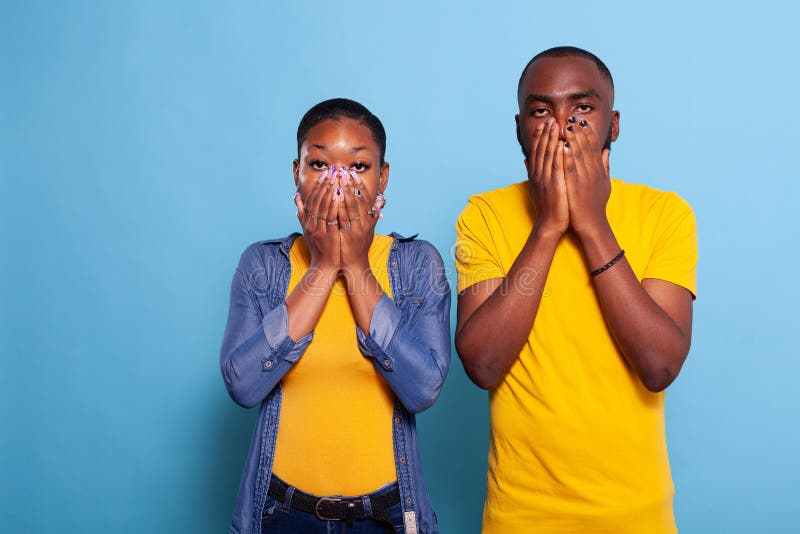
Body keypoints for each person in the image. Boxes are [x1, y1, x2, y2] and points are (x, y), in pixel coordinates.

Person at [454, 47, 697, 533]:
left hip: (636, 517)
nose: (561, 125)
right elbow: (482, 364)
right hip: (519, 518)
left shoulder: (665, 214)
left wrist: (590, 224)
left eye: (583, 109)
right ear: (520, 128)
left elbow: (660, 365)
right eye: (541, 111)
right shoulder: (484, 214)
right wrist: (547, 228)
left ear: (614, 124)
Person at [220, 98, 450, 534]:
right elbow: (243, 384)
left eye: (359, 167)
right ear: (297, 172)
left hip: (384, 518)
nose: (339, 182)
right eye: (320, 164)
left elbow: (422, 389)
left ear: (382, 177)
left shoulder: (417, 265)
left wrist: (357, 267)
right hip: (283, 514)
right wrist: (325, 266)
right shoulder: (264, 266)